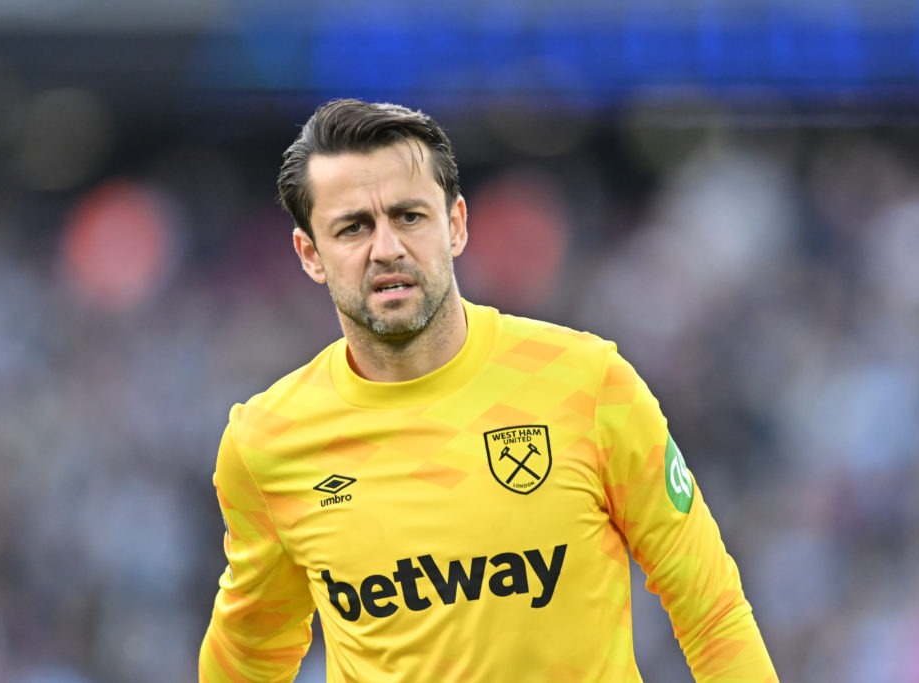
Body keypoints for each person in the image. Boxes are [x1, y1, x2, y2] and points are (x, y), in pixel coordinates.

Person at [198, 99, 777, 682]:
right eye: (353, 227)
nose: (387, 248)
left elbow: (712, 611)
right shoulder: (269, 442)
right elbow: (248, 656)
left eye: (409, 216)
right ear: (310, 255)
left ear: (456, 224)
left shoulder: (588, 383)